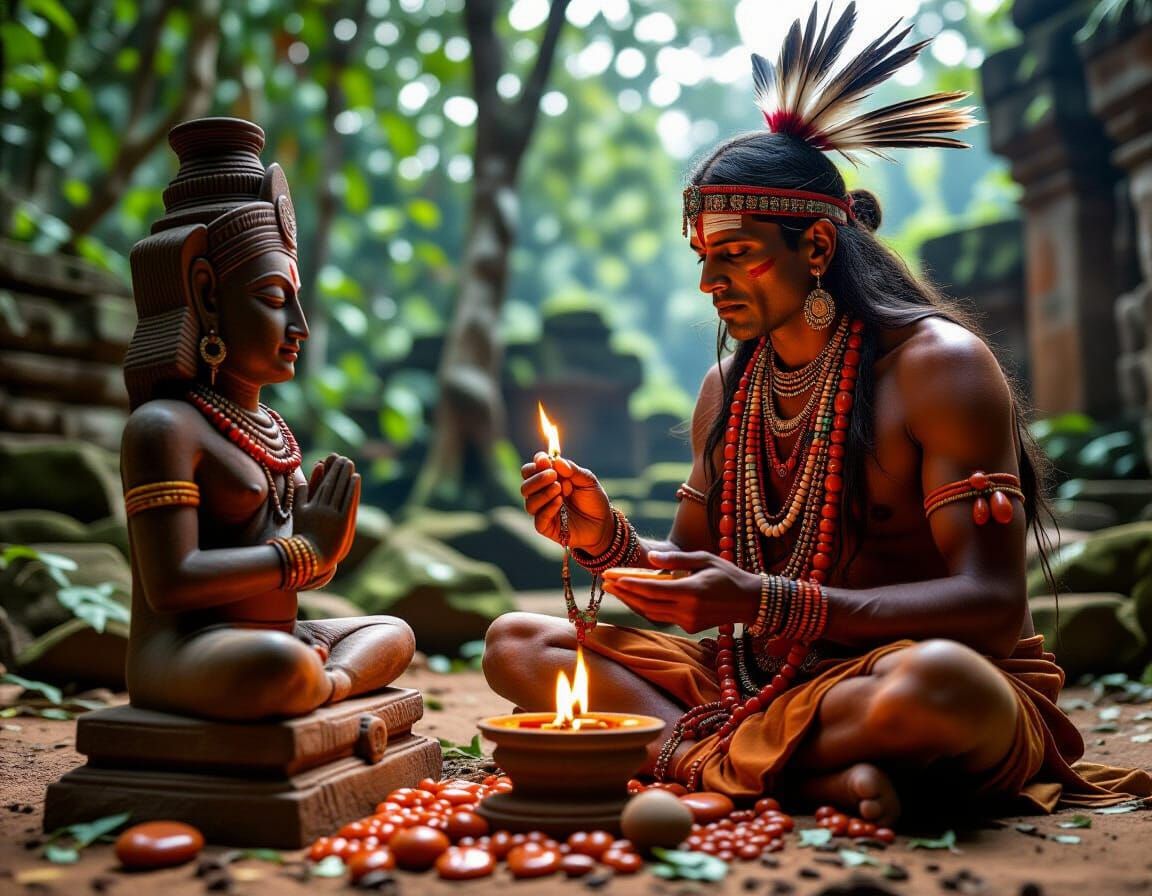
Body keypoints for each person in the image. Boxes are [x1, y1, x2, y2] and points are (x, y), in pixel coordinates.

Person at [483, 4, 1152, 824]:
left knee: (944, 689)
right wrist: (605, 541)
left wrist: (773, 602)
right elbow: (694, 578)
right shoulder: (728, 390)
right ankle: (796, 774)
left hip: (894, 679)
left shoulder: (938, 368)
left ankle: (699, 761)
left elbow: (994, 605)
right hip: (763, 687)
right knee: (519, 643)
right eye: (704, 258)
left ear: (819, 250)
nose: (710, 283)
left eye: (736, 254)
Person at [119, 117, 414, 721]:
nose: (299, 324)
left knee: (393, 632)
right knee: (275, 668)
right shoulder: (164, 427)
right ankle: (316, 686)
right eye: (276, 300)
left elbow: (305, 580)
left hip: (279, 638)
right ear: (205, 294)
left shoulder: (272, 429)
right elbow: (172, 583)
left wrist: (325, 552)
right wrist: (305, 550)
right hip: (188, 649)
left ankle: (318, 686)